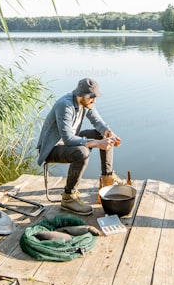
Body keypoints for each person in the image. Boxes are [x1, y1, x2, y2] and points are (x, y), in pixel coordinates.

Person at [36, 77, 123, 215]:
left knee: (102, 135)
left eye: (94, 97)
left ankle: (108, 177)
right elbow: (68, 139)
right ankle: (68, 197)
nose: (94, 101)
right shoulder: (65, 106)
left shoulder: (86, 103)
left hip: (68, 142)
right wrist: (97, 144)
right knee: (82, 152)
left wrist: (109, 133)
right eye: (91, 98)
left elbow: (98, 122)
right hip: (52, 148)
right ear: (81, 95)